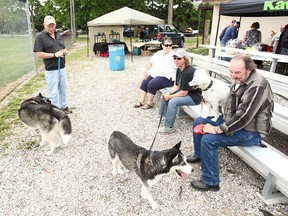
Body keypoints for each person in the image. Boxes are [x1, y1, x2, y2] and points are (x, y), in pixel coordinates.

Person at [188, 54, 274, 192]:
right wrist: (208, 98)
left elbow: (244, 117)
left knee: (209, 139)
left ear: (250, 69)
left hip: (251, 131)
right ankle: (199, 155)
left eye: (237, 72)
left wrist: (217, 129)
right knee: (199, 121)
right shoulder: (240, 79)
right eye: (231, 72)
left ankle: (211, 182)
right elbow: (230, 101)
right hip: (233, 121)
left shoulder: (258, 86)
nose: (233, 76)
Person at [33, 15, 72, 113]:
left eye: (52, 25)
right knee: (53, 92)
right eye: (49, 26)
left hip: (62, 67)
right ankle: (55, 111)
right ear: (44, 25)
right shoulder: (40, 37)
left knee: (63, 89)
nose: (51, 28)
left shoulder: (58, 34)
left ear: (55, 25)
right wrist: (54, 55)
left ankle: (64, 106)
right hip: (51, 70)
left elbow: (63, 47)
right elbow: (39, 53)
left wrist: (65, 51)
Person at [158, 50, 202, 134]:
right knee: (166, 94)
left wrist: (170, 96)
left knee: (173, 101)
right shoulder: (179, 69)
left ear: (185, 59)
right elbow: (177, 85)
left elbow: (183, 93)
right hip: (186, 92)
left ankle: (169, 127)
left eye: (179, 58)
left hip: (194, 96)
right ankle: (165, 116)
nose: (176, 60)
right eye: (174, 58)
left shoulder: (189, 71)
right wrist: (169, 93)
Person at [133, 37, 177, 110]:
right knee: (145, 81)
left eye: (170, 45)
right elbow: (150, 63)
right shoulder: (158, 53)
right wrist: (145, 72)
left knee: (152, 83)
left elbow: (178, 69)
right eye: (166, 45)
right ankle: (142, 101)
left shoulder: (174, 56)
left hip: (167, 77)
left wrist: (176, 82)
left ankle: (150, 103)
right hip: (156, 75)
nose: (168, 47)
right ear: (162, 45)